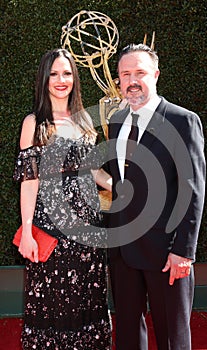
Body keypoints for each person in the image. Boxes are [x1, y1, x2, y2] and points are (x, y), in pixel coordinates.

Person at [107, 44, 206, 350]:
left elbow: (193, 189)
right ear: (119, 80)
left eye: (140, 72)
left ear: (156, 75)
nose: (132, 80)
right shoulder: (116, 122)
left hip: (166, 252)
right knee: (126, 333)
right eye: (126, 74)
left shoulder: (182, 121)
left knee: (171, 337)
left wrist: (184, 251)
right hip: (122, 250)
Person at [13, 48, 112, 349]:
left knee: (87, 302)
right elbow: (30, 182)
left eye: (67, 73)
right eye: (54, 73)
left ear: (74, 78)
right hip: (51, 235)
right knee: (53, 305)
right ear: (44, 79)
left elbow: (92, 171)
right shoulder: (34, 123)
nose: (61, 79)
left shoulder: (84, 121)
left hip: (87, 235)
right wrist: (27, 231)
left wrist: (122, 184)